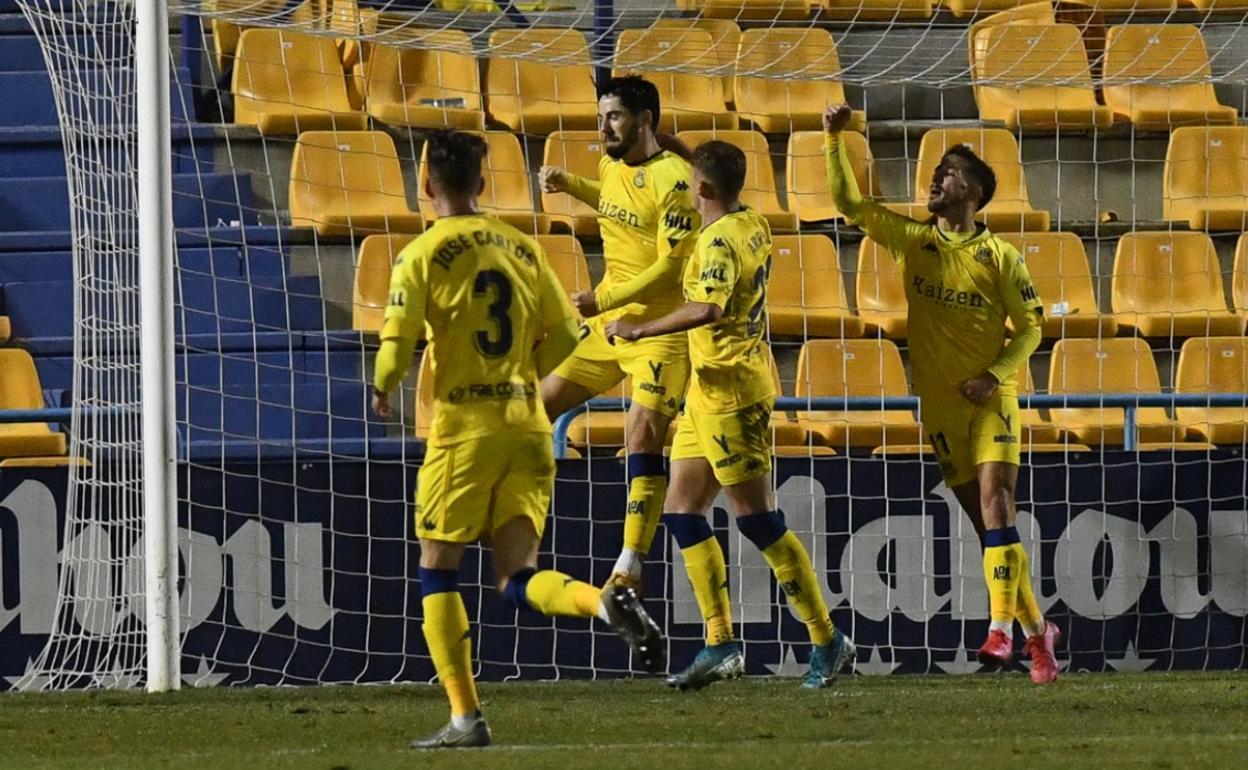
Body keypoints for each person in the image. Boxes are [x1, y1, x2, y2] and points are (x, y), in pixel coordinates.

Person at [373, 130, 665, 750]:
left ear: (426, 185)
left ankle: (465, 718)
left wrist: (382, 386)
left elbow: (398, 337)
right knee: (515, 576)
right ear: (482, 183)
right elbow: (565, 343)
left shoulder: (423, 254)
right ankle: (602, 603)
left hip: (463, 431)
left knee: (437, 566)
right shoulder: (525, 249)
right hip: (530, 425)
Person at [821, 104, 1060, 683]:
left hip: (990, 400)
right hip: (941, 408)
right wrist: (833, 140)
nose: (935, 178)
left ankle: (999, 631)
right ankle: (1038, 636)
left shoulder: (1000, 256)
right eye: (936, 171)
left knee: (998, 502)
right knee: (987, 530)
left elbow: (1032, 327)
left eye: (948, 172)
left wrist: (996, 374)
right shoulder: (914, 241)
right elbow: (850, 206)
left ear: (974, 191)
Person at [605, 141, 856, 691]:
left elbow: (708, 308)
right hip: (707, 389)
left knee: (758, 520)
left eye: (693, 182)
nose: (688, 190)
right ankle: (720, 643)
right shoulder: (752, 220)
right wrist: (670, 140)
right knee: (681, 511)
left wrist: (639, 328)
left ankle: (826, 638)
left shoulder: (718, 243)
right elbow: (714, 171)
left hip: (734, 395)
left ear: (703, 189)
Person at [538, 76, 700, 597]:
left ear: (645, 120)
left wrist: (603, 299)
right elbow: (613, 201)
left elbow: (673, 268)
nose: (602, 126)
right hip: (608, 330)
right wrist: (569, 184)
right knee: (537, 403)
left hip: (657, 329)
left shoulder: (675, 180)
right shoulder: (611, 164)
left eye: (613, 117)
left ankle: (629, 564)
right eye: (601, 115)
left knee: (641, 434)